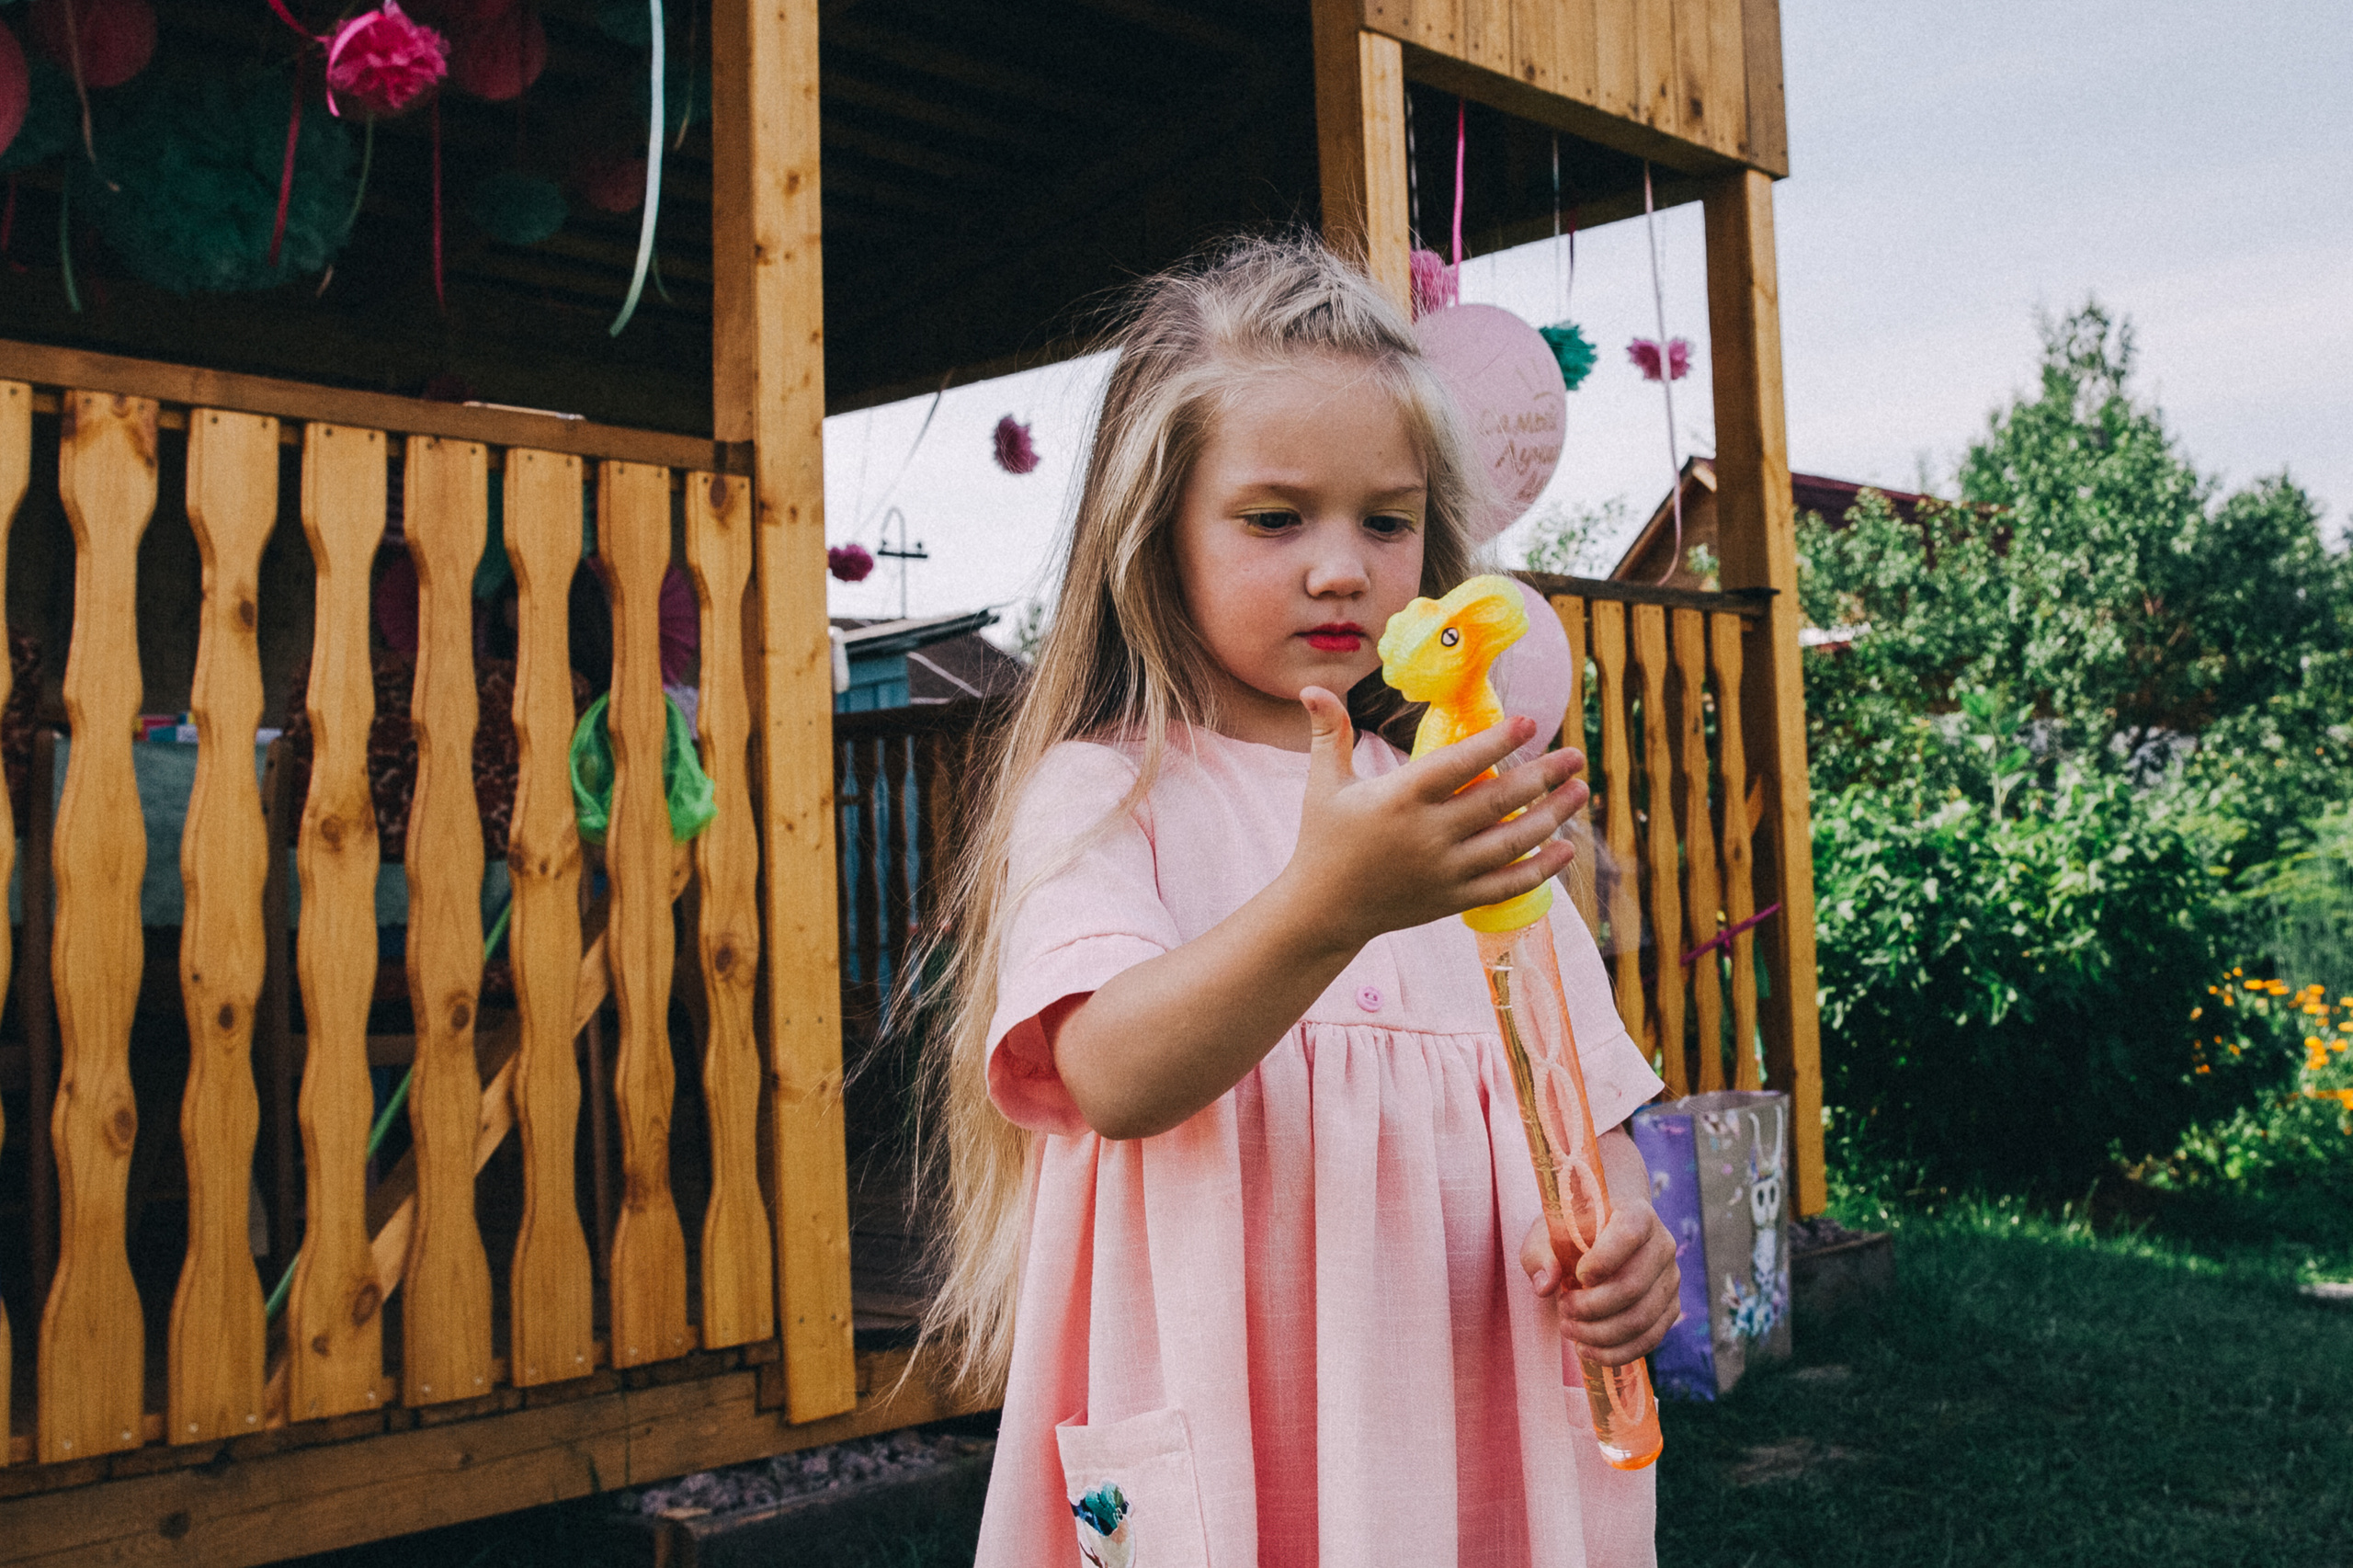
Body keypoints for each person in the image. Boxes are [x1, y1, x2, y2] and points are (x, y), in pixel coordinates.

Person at [917, 235, 1679, 1568]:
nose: (1343, 566)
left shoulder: (1455, 799)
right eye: (1277, 518)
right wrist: (1330, 902)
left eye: (1385, 521)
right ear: (1157, 535)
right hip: (1235, 1446)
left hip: (1475, 1433)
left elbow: (1579, 1092)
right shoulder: (1110, 796)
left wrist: (1627, 1236)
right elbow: (1111, 1072)